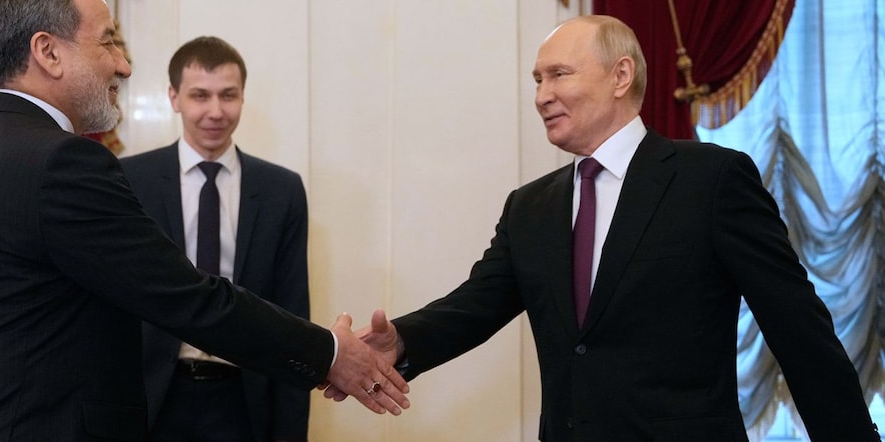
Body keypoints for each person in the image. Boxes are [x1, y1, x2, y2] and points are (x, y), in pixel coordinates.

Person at [328, 15, 879, 441]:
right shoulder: (530, 207)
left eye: (559, 74)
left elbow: (798, 328)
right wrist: (400, 339)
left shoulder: (710, 180)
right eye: (537, 79)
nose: (542, 94)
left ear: (622, 75)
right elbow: (474, 306)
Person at [0, 0, 407, 440]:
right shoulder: (59, 163)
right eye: (109, 41)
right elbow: (188, 298)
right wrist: (331, 353)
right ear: (48, 52)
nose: (123, 64)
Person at [119, 36, 312, 441]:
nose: (215, 111)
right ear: (174, 97)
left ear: (243, 97)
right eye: (199, 95)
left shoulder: (282, 190)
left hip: (245, 402)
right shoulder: (130, 180)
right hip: (150, 399)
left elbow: (293, 314)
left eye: (228, 95)